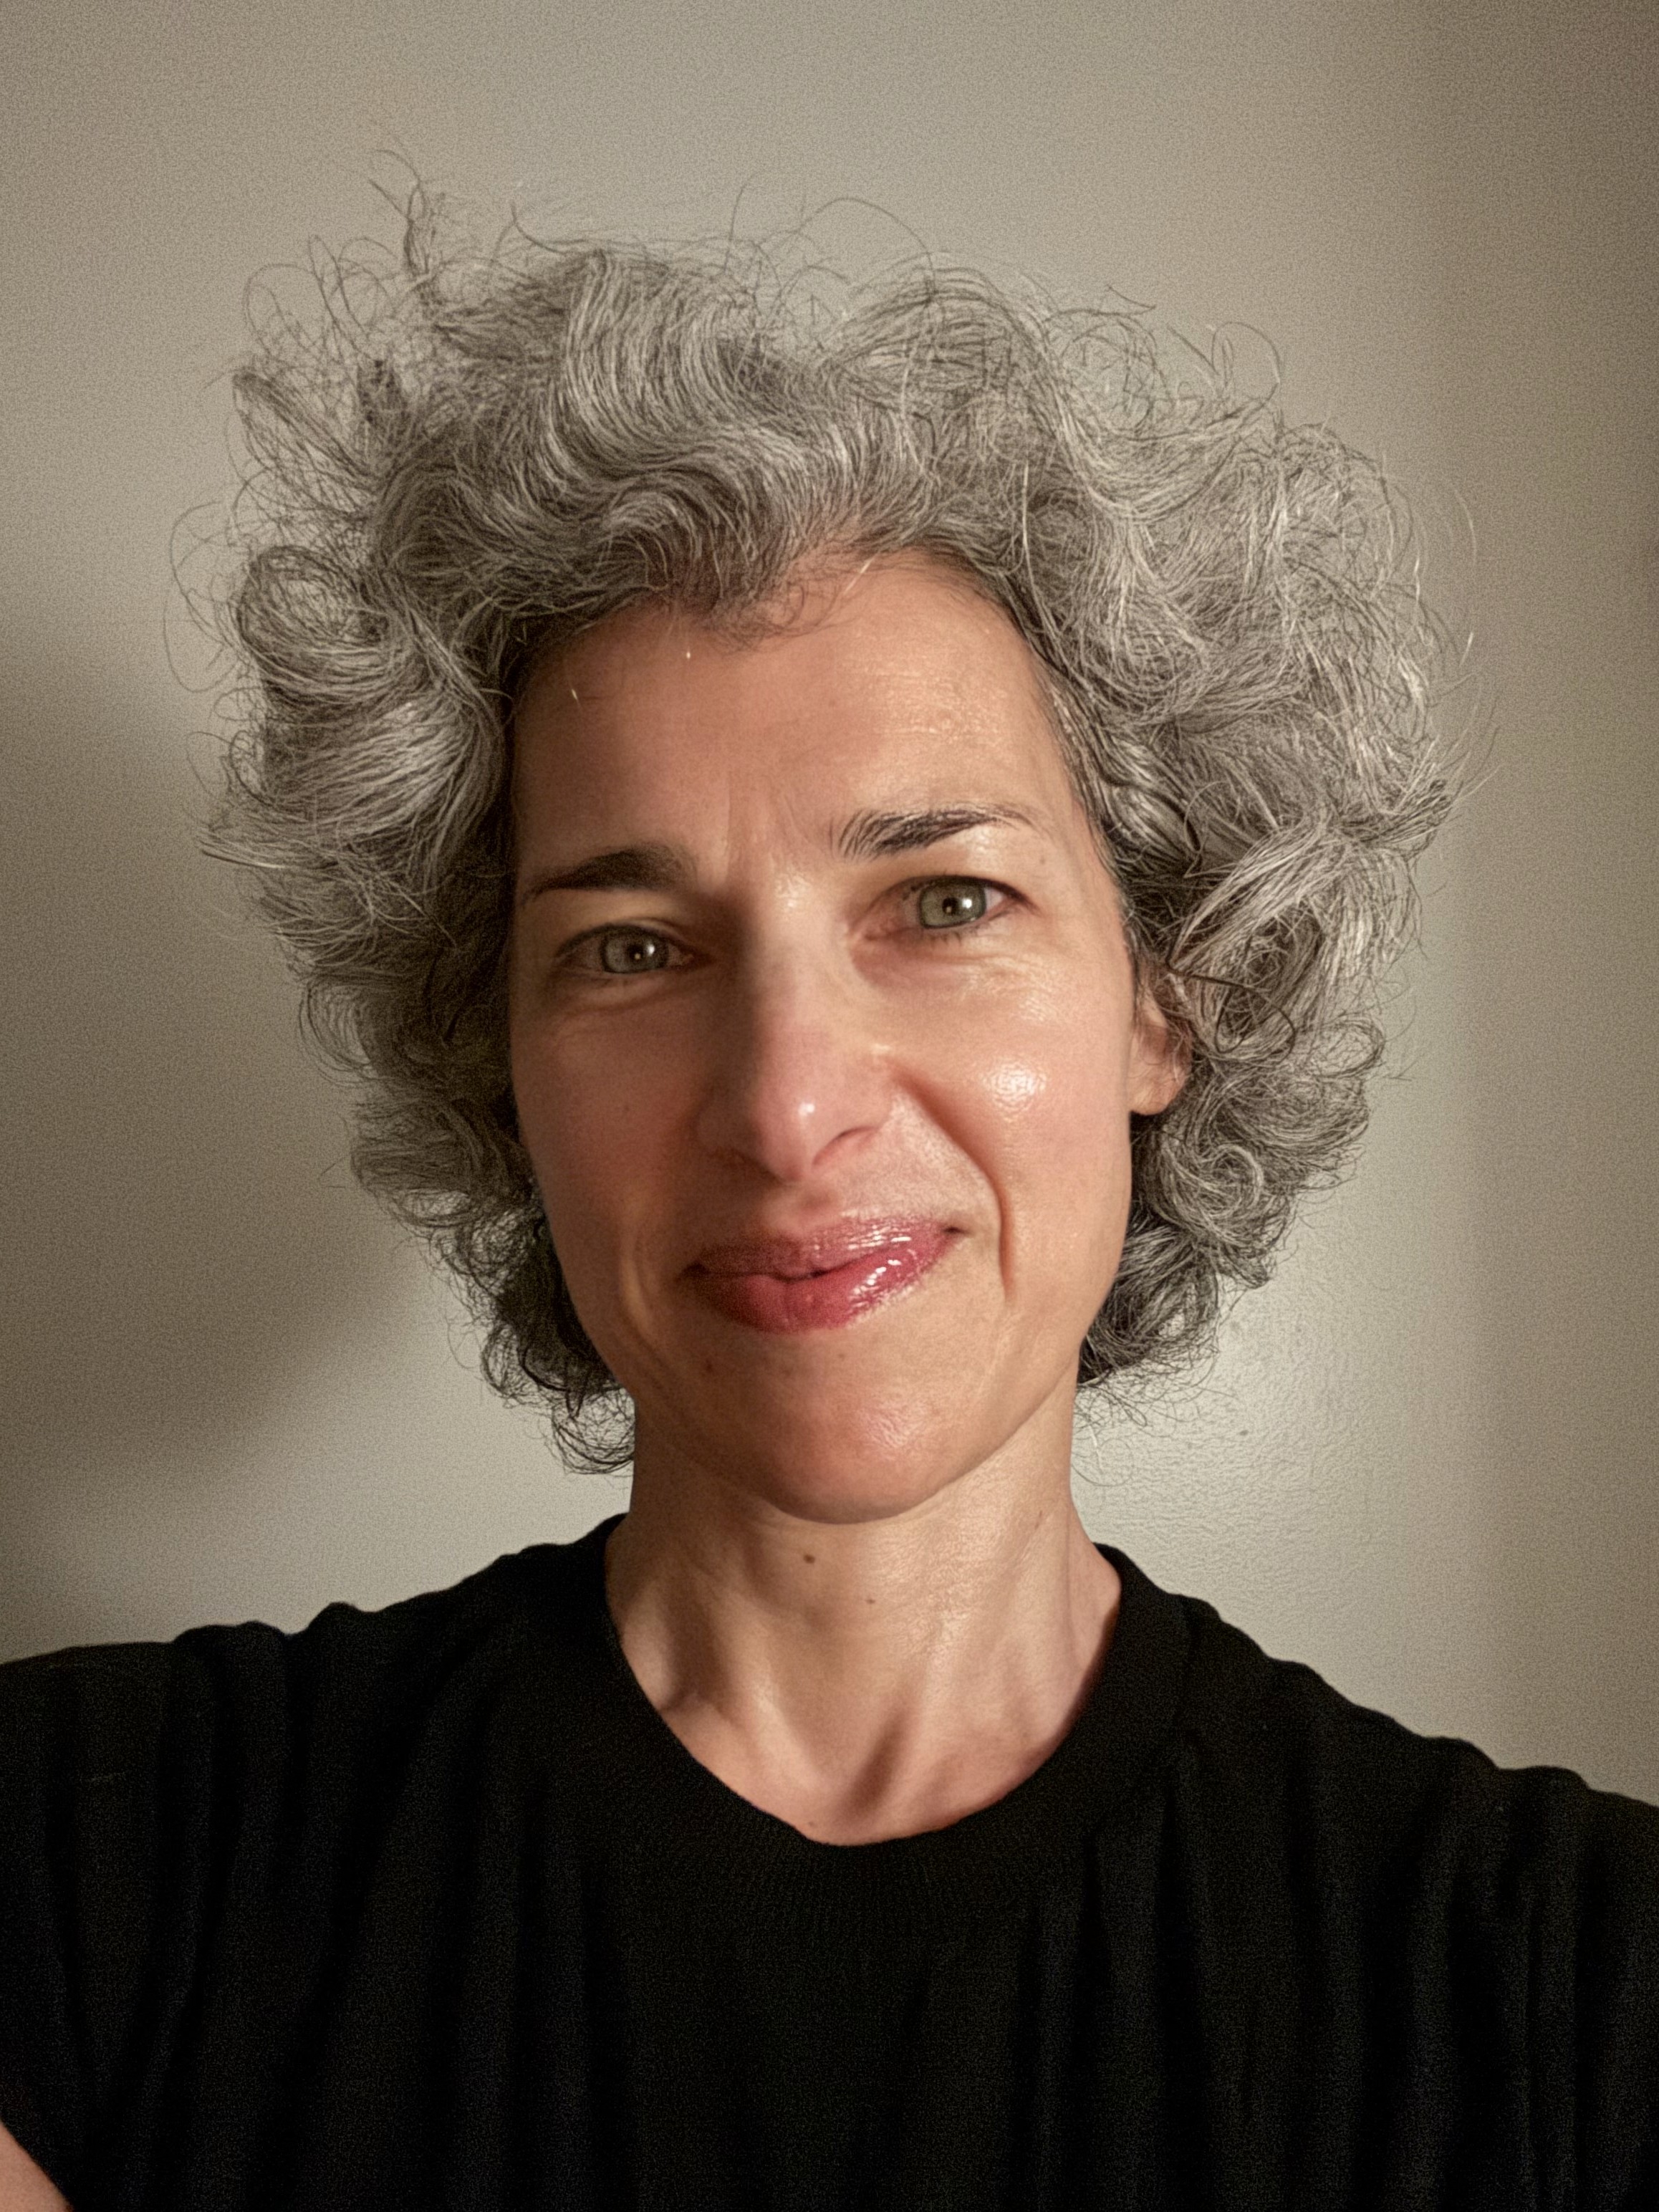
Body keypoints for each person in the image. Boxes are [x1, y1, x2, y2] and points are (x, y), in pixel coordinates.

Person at [2, 198, 1656, 2211]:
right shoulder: (92, 1877)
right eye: (626, 947)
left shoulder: (1573, 1990)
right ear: (497, 1060)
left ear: (1169, 990)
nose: (786, 1104)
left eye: (944, 903)